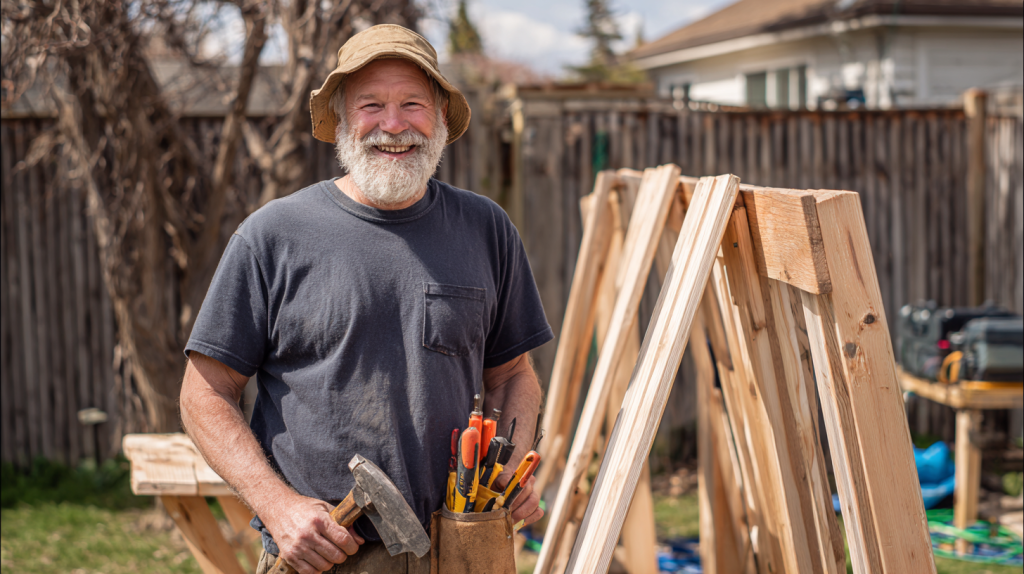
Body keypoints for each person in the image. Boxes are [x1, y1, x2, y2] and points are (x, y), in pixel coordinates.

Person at [179, 24, 552, 574]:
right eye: (371, 105)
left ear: (442, 118)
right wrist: (278, 507)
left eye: (413, 104)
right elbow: (203, 394)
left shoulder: (486, 229)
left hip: (463, 547)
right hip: (326, 554)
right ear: (341, 120)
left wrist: (508, 467)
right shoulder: (274, 236)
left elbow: (513, 375)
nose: (393, 125)